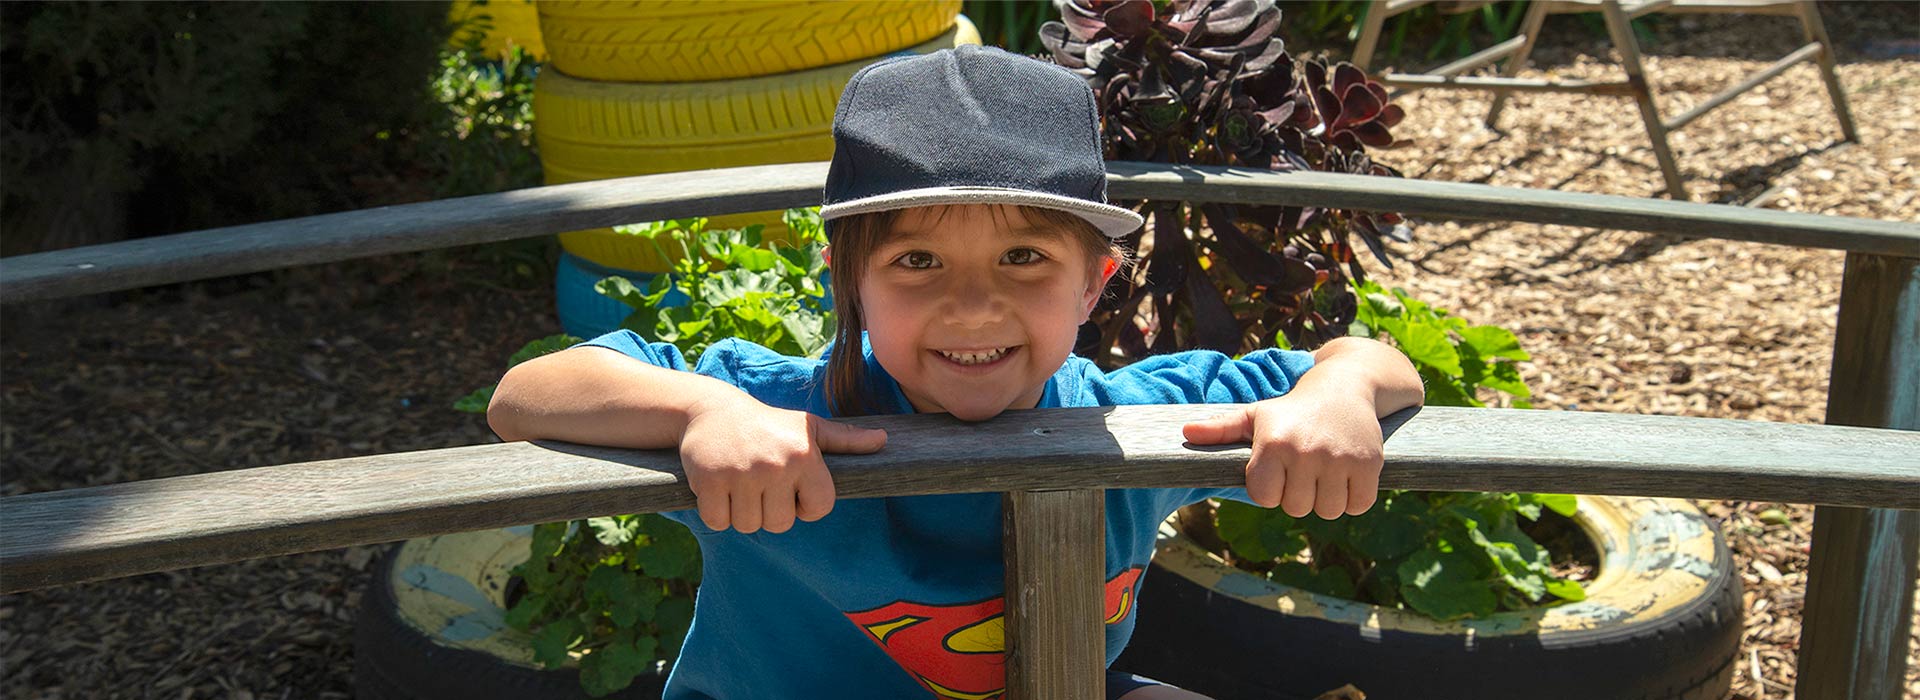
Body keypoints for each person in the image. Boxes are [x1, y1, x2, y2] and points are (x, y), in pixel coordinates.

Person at [488, 45, 1424, 700]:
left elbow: (1379, 366)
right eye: (917, 263)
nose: (974, 309)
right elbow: (524, 397)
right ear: (848, 278)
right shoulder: (773, 413)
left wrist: (1335, 391)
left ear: (1095, 283)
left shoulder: (1137, 420)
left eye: (1024, 260)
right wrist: (700, 411)